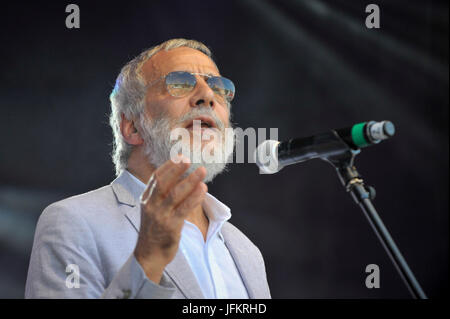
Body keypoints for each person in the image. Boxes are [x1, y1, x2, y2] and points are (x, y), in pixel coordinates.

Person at [25, 38, 271, 299]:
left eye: (219, 88)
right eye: (179, 83)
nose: (208, 96)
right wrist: (147, 261)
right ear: (132, 127)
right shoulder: (72, 222)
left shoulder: (247, 251)